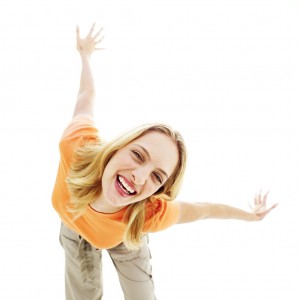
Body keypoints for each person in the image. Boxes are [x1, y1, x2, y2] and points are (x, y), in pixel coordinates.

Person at [52, 24, 278, 300]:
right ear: (117, 146)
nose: (139, 177)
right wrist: (85, 55)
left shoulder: (149, 212)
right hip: (77, 230)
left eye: (157, 177)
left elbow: (203, 209)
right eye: (138, 155)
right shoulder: (77, 148)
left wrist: (251, 216)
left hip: (127, 236)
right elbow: (85, 98)